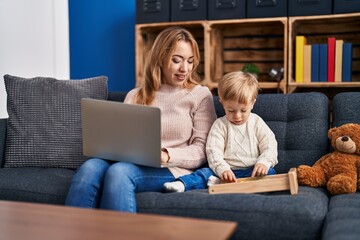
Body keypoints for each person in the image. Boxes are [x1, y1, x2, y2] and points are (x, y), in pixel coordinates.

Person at [65, 26, 217, 212]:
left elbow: (203, 149)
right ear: (160, 58)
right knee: (89, 168)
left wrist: (167, 155)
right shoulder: (136, 95)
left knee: (120, 172)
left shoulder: (200, 95)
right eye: (177, 60)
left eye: (190, 61)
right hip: (130, 160)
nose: (184, 69)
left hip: (173, 168)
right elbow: (122, 137)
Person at [163, 71, 278, 192]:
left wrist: (263, 162)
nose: (237, 116)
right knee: (204, 173)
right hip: (225, 171)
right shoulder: (220, 125)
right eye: (231, 110)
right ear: (222, 102)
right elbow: (213, 151)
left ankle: (220, 184)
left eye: (243, 110)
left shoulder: (257, 122)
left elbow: (270, 145)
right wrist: (223, 169)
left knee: (270, 172)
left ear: (252, 103)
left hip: (252, 171)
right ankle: (182, 184)